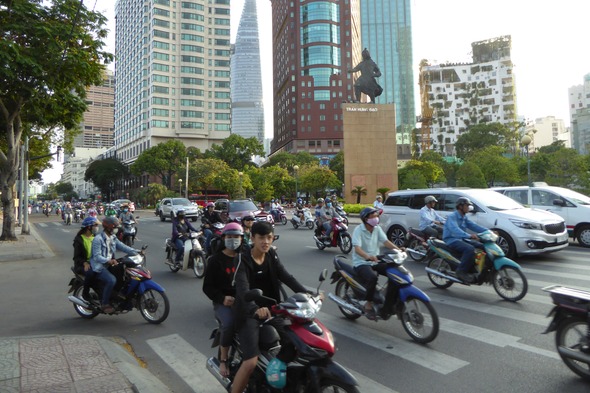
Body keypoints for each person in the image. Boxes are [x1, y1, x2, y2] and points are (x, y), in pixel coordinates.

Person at [231, 221, 308, 393]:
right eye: (261, 238)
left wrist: (309, 295)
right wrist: (254, 309)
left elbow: (287, 277)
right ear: (252, 238)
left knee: (295, 343)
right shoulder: (242, 259)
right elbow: (243, 289)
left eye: (269, 238)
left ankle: (271, 374)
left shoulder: (271, 255)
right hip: (248, 313)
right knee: (250, 362)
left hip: (272, 310)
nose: (265, 241)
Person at [202, 222, 244, 378]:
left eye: (236, 237)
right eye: (230, 237)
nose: (233, 240)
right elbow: (207, 287)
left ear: (242, 239)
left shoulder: (244, 257)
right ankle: (224, 359)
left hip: (244, 300)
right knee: (228, 323)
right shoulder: (215, 260)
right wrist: (222, 298)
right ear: (224, 238)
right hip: (223, 302)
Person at [352, 207, 404, 320]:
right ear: (365, 219)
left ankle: (389, 301)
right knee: (372, 277)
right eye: (373, 216)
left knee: (394, 271)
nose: (376, 218)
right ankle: (368, 304)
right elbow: (357, 248)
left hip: (376, 260)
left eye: (376, 216)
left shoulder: (377, 229)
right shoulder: (358, 230)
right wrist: (367, 256)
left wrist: (398, 250)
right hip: (362, 262)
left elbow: (385, 242)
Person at [90, 216, 139, 314]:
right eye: (115, 227)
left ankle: (118, 298)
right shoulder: (98, 239)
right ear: (108, 227)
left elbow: (124, 247)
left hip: (110, 264)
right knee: (112, 280)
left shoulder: (112, 237)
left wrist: (137, 252)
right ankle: (105, 303)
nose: (117, 229)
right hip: (99, 266)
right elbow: (96, 257)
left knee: (125, 277)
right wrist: (108, 261)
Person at [443, 197, 487, 283]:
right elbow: (454, 229)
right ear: (460, 206)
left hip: (461, 239)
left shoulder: (464, 217)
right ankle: (461, 271)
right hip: (452, 240)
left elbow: (474, 226)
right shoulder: (452, 217)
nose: (468, 207)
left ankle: (479, 267)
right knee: (469, 249)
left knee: (482, 246)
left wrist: (489, 231)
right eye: (467, 205)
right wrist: (469, 236)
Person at [73, 216, 101, 300]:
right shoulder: (79, 239)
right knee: (92, 273)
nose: (97, 227)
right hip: (82, 265)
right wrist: (85, 263)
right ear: (89, 227)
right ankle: (86, 293)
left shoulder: (96, 237)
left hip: (96, 263)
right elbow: (76, 257)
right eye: (95, 225)